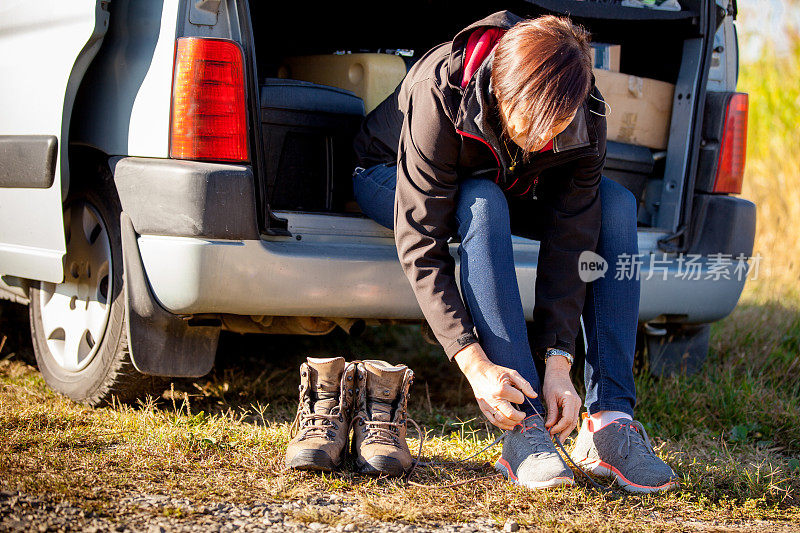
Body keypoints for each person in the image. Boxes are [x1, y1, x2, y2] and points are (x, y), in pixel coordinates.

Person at [351, 11, 679, 492]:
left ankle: (610, 419)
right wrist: (472, 361)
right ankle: (524, 429)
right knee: (481, 203)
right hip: (388, 173)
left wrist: (558, 361)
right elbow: (421, 242)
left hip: (507, 180)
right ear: (502, 92)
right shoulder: (441, 87)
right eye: (534, 127)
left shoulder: (582, 107)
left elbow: (573, 237)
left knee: (615, 206)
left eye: (557, 129)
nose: (548, 141)